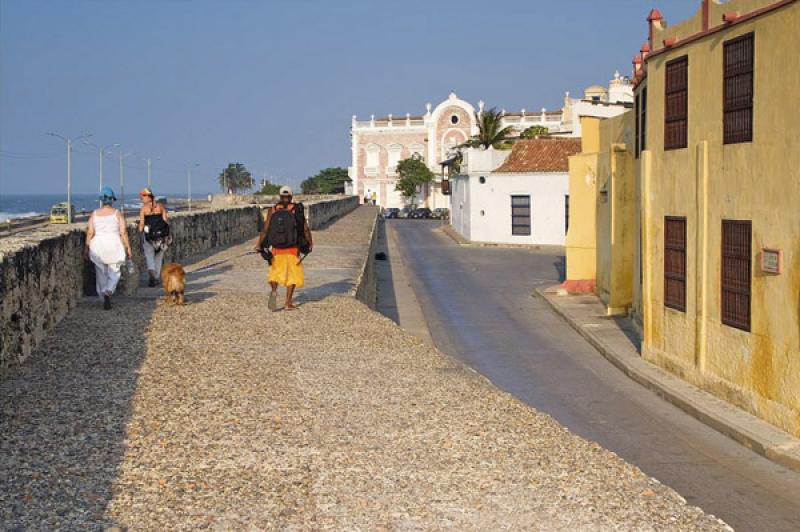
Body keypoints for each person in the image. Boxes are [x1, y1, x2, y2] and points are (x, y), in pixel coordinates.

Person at [254, 185, 312, 311]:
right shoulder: (296, 209)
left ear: (280, 196)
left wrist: (259, 244)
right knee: (292, 275)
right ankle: (288, 303)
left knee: (275, 273)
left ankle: (274, 291)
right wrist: (310, 243)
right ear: (291, 197)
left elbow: (265, 229)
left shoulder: (273, 210)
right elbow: (305, 229)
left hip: (276, 248)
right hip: (292, 248)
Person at [85, 186, 132, 310]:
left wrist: (87, 247)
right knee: (114, 271)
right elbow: (123, 232)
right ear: (112, 200)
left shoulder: (94, 214)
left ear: (101, 200)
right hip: (114, 244)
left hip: (98, 245)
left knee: (101, 272)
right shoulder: (117, 214)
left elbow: (90, 232)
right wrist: (128, 248)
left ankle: (103, 295)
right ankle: (109, 291)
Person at [137, 187, 170, 287]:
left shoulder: (143, 209)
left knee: (149, 256)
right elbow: (166, 221)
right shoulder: (160, 207)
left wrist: (139, 231)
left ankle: (152, 275)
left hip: (149, 237)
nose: (141, 198)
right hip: (161, 237)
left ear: (148, 197)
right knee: (159, 257)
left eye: (143, 196)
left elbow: (142, 225)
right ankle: (155, 277)